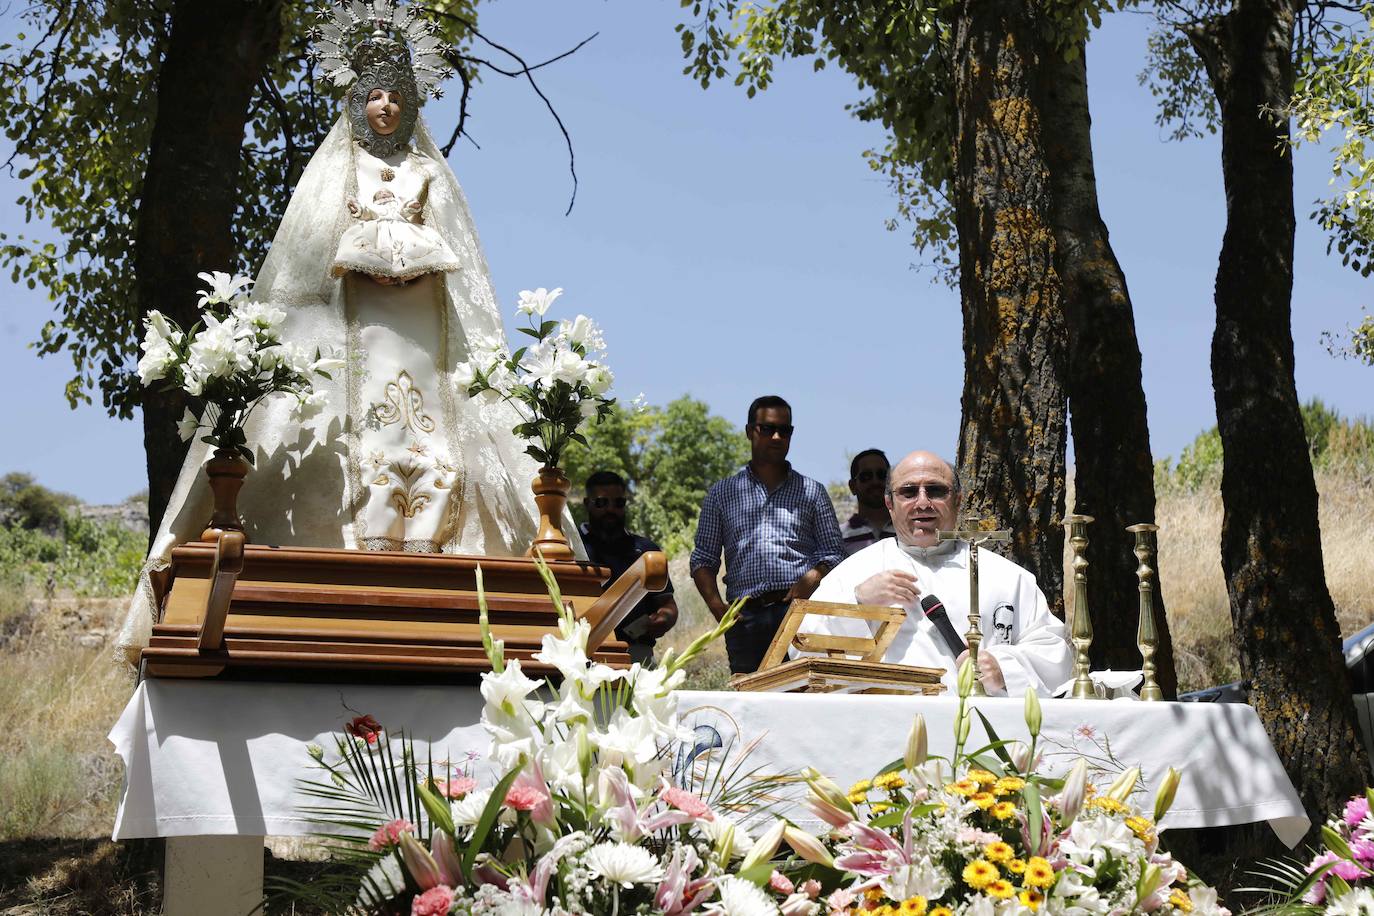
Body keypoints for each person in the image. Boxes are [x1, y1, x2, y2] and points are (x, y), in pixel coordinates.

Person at [117, 6, 568, 664]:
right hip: (350, 324)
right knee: (348, 431)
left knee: (432, 435)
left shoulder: (433, 175)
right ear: (356, 101)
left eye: (397, 96)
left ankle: (432, 541)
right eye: (374, 95)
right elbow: (297, 271)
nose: (386, 106)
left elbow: (467, 272)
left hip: (423, 324)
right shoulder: (333, 171)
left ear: (412, 105)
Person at [803, 450, 1071, 696]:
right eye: (908, 492)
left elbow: (1054, 652)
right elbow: (803, 649)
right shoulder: (853, 574)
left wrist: (1004, 668)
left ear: (958, 499)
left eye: (935, 490)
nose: (923, 502)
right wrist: (857, 604)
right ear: (889, 503)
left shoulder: (1008, 577)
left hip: (983, 727)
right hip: (887, 726)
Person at [690, 395, 845, 674]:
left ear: (791, 434)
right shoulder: (722, 494)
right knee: (749, 705)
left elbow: (834, 553)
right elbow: (703, 558)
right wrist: (718, 609)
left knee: (805, 698)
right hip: (745, 619)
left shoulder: (813, 492)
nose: (776, 436)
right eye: (767, 428)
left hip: (800, 614)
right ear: (750, 431)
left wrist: (813, 577)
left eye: (784, 430)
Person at [578, 471, 678, 665]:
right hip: (582, 653)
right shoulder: (572, 545)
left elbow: (667, 603)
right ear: (587, 503)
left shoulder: (645, 550)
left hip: (637, 653)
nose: (610, 510)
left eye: (618, 503)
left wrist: (664, 618)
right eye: (601, 503)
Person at [840, 448, 895, 556]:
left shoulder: (909, 531)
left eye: (882, 475)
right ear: (853, 487)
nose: (875, 481)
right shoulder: (838, 537)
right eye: (866, 476)